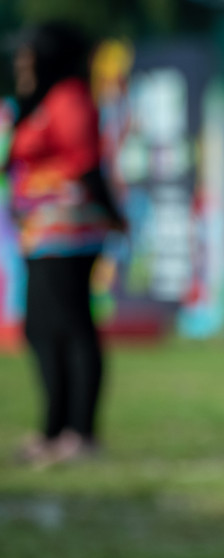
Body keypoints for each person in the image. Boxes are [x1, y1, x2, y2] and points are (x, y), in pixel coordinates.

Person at [5, 21, 122, 466]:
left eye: (28, 55)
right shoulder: (35, 104)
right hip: (39, 232)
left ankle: (80, 432)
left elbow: (89, 167)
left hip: (70, 232)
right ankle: (54, 429)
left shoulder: (70, 99)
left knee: (71, 327)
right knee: (40, 329)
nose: (21, 63)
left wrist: (116, 218)